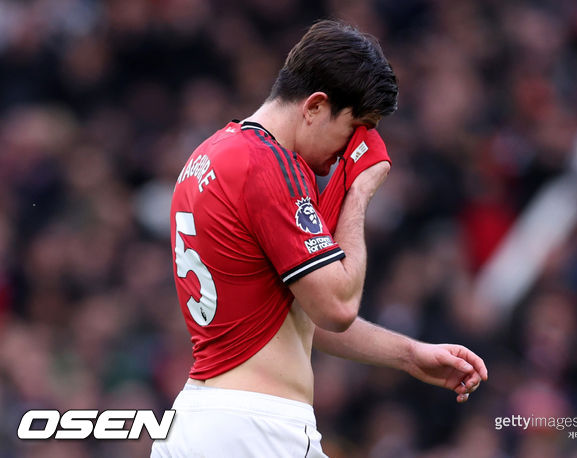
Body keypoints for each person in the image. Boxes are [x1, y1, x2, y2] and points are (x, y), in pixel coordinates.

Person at [152, 19, 487, 457]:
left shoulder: (208, 155)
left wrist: (409, 354)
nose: (349, 149)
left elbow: (298, 317)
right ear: (314, 106)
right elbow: (337, 307)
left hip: (196, 421)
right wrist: (359, 190)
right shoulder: (268, 164)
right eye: (355, 128)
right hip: (257, 429)